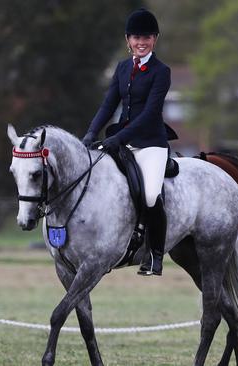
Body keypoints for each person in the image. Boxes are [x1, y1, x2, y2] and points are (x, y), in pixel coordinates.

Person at [81, 8, 173, 276]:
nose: (141, 42)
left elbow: (149, 115)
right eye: (136, 37)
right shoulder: (122, 68)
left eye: (146, 37)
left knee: (151, 195)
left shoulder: (161, 71)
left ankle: (155, 255)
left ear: (155, 39)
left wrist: (117, 138)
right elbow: (109, 104)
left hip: (151, 144)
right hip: (122, 141)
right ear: (127, 40)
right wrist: (90, 133)